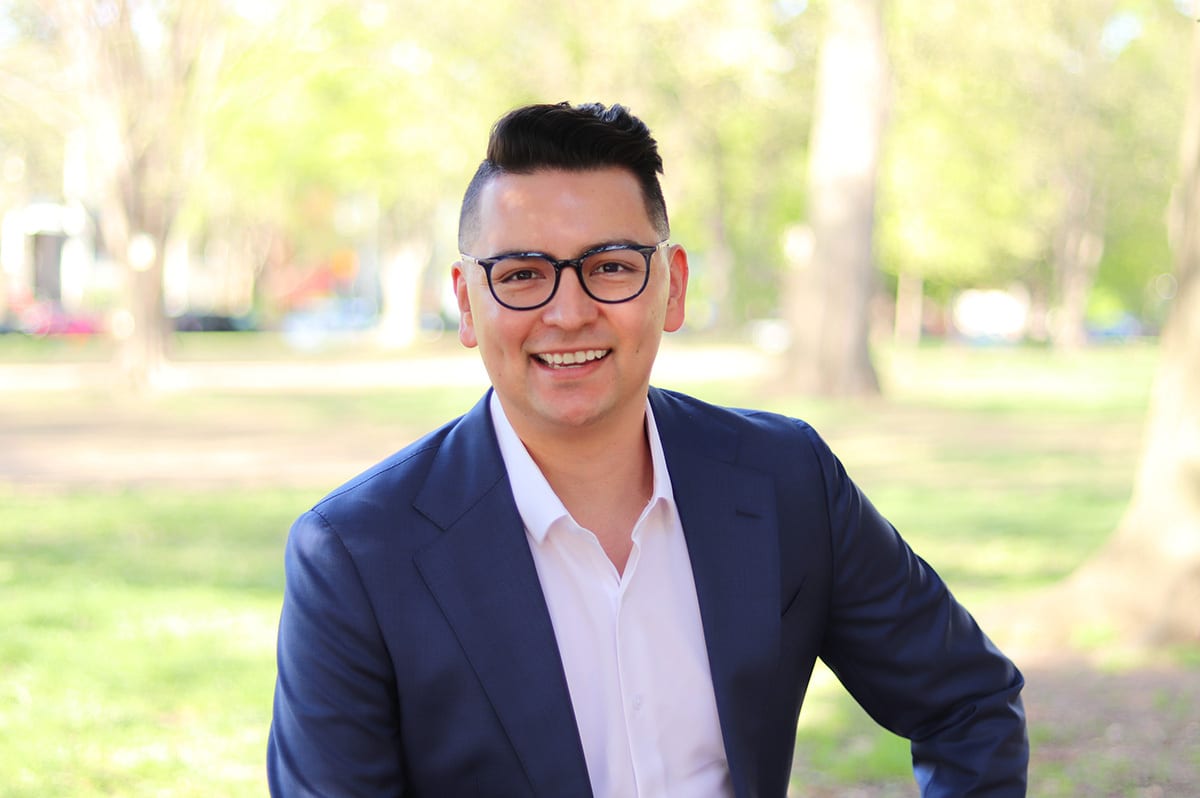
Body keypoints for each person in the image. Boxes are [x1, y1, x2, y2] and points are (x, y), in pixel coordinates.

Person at [267, 101, 1028, 797]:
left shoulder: (785, 481)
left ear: (672, 287)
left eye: (610, 268)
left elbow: (968, 702)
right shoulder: (356, 555)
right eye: (522, 274)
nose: (568, 313)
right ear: (468, 302)